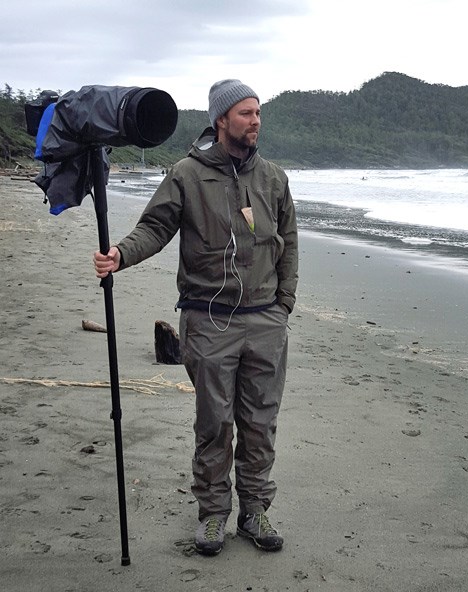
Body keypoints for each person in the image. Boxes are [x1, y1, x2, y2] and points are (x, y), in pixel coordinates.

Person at [93, 79, 298, 556]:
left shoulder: (273, 178)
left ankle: (254, 511)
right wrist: (120, 254)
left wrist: (283, 303)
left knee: (260, 424)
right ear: (221, 119)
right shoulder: (187, 174)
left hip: (266, 321)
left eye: (259, 112)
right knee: (214, 424)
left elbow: (289, 243)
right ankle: (212, 515)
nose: (255, 121)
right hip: (208, 322)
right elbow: (155, 227)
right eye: (246, 113)